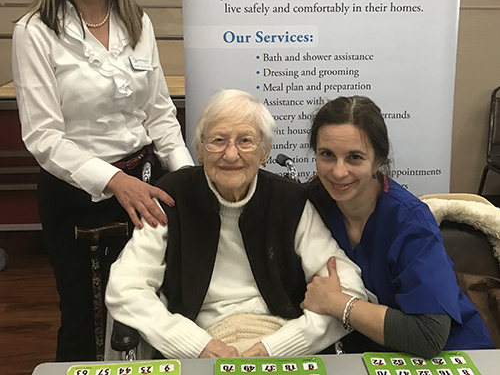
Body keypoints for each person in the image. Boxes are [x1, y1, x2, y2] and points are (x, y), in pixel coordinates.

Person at [11, 0, 194, 361]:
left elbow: (158, 114)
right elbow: (44, 137)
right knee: (87, 316)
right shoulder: (34, 31)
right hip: (77, 195)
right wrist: (114, 181)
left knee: (150, 307)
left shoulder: (137, 22)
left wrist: (189, 180)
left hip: (147, 182)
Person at [106, 89, 368, 358]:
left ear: (264, 151)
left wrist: (279, 347)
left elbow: (347, 287)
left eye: (245, 141)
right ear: (198, 150)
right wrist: (194, 345)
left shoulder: (289, 199)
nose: (231, 155)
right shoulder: (173, 196)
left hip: (280, 341)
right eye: (218, 141)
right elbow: (125, 286)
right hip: (197, 340)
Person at [303, 95, 494, 357]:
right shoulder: (311, 203)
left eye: (355, 157)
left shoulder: (410, 221)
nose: (338, 172)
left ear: (378, 160)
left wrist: (337, 303)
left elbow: (429, 335)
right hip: (374, 355)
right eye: (327, 155)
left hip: (450, 355)